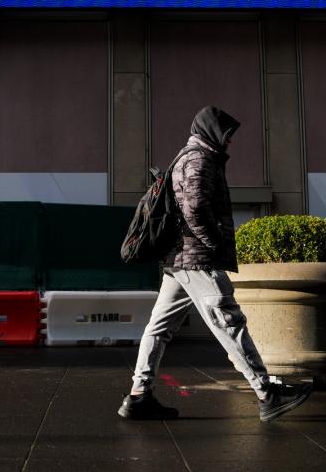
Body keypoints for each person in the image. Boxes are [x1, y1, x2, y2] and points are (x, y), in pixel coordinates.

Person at [119, 106, 312, 422]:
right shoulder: (199, 159)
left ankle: (139, 395)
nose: (230, 142)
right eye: (227, 135)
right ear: (211, 131)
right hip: (197, 260)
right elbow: (194, 209)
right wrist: (216, 243)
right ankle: (267, 393)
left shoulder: (190, 157)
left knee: (159, 328)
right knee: (229, 323)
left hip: (180, 261)